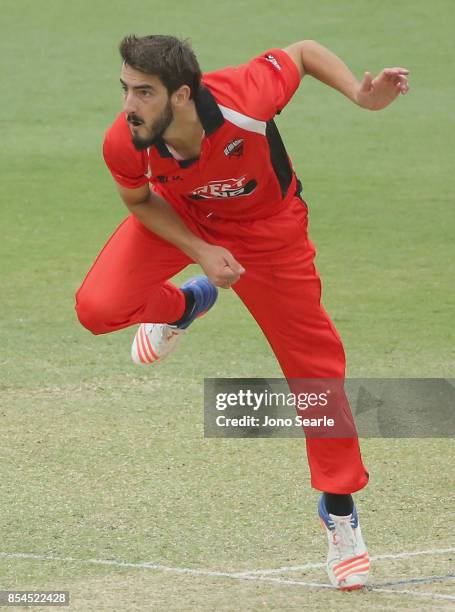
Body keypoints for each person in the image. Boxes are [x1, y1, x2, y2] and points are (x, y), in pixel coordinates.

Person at [75, 35, 409, 590]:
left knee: (315, 369)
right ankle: (187, 302)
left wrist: (358, 93)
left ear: (182, 95)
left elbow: (301, 53)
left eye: (144, 93)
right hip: (185, 219)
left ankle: (340, 510)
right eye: (125, 90)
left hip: (270, 231)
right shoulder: (125, 139)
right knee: (98, 307)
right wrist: (200, 253)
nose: (129, 106)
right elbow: (138, 202)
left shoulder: (244, 98)